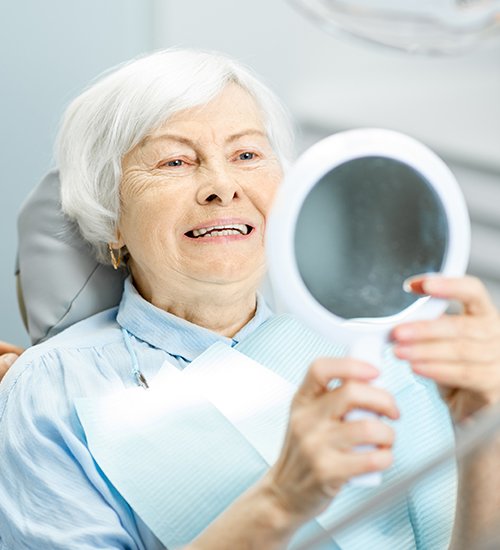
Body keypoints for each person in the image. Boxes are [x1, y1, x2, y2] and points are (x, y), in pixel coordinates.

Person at [0, 48, 499, 550]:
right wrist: (281, 500)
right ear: (112, 220)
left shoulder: (383, 348)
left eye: (246, 155)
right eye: (175, 160)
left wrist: (484, 430)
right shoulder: (54, 389)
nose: (222, 186)